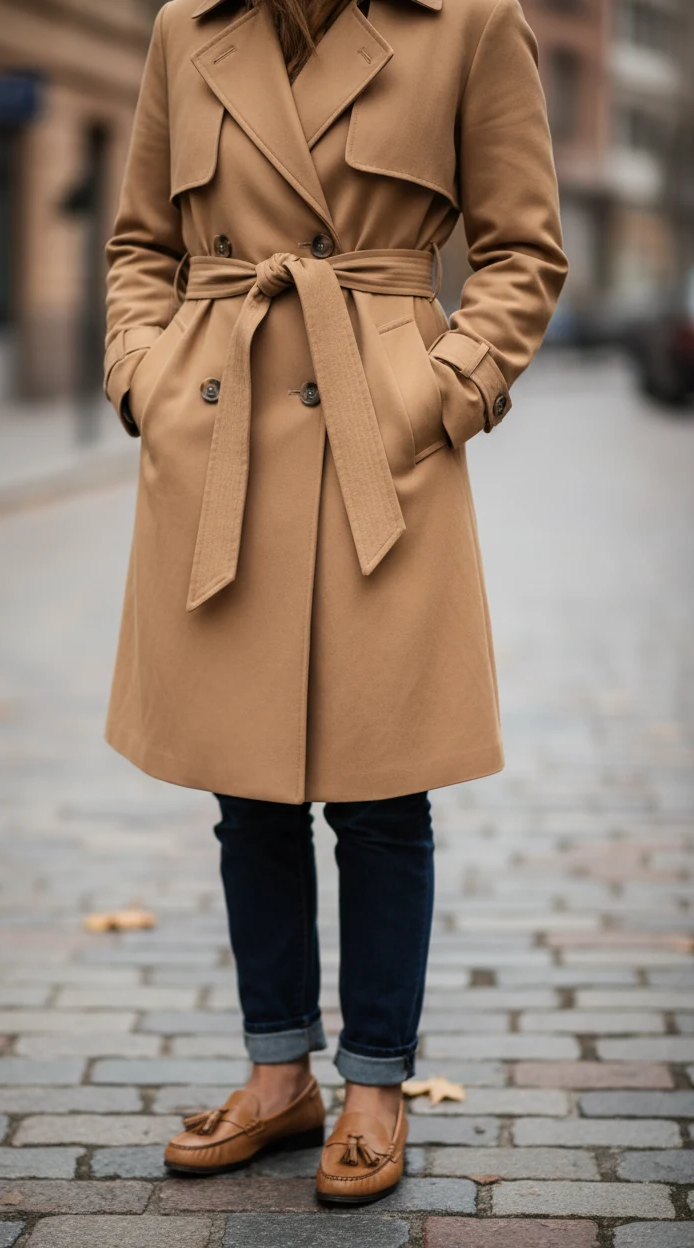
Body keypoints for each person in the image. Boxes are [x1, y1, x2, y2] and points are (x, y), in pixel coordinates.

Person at [102, 0, 567, 1205]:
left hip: (380, 447)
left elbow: (523, 252)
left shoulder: (470, 24)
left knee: (381, 784)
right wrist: (144, 378)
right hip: (218, 438)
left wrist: (442, 392)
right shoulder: (185, 26)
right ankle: (277, 1078)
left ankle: (372, 1086)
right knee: (244, 785)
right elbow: (139, 243)